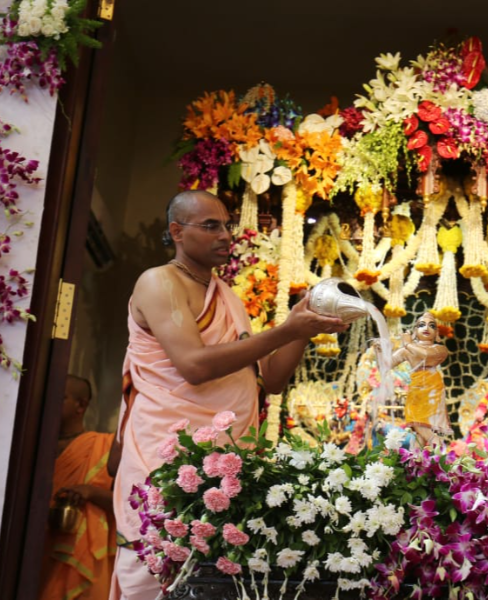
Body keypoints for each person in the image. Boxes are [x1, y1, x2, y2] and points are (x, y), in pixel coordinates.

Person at [109, 190, 347, 600]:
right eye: (211, 226)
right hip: (165, 456)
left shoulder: (227, 295)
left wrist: (301, 329)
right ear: (176, 232)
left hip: (226, 463)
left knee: (213, 579)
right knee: (155, 572)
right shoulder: (159, 282)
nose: (225, 235)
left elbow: (269, 379)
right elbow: (195, 366)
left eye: (227, 225)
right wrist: (285, 331)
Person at [38, 375, 115, 600]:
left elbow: (129, 504)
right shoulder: (28, 443)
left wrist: (91, 492)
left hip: (74, 554)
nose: (48, 402)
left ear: (80, 405)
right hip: (31, 549)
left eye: (58, 397)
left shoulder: (103, 447)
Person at [391, 312, 452, 448]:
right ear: (415, 331)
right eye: (421, 325)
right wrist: (379, 350)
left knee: (421, 425)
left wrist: (407, 343)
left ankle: (440, 452)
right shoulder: (407, 349)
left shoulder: (439, 349)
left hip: (432, 390)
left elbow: (425, 355)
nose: (426, 328)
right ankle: (416, 462)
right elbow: (386, 364)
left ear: (436, 333)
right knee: (417, 429)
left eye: (431, 325)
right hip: (415, 390)